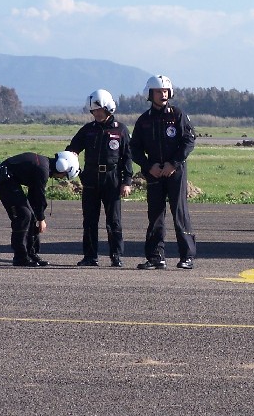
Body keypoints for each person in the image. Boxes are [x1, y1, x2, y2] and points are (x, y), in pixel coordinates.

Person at [130, 74, 197, 270]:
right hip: (154, 174)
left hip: (175, 172)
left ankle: (187, 256)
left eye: (166, 91)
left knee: (179, 213)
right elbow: (134, 149)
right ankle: (155, 257)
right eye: (159, 91)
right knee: (155, 215)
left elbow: (189, 140)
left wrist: (173, 164)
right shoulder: (143, 121)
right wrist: (149, 166)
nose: (163, 94)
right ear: (150, 94)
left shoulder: (177, 115)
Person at [66, 89, 134, 267]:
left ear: (108, 108)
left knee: (114, 221)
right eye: (93, 111)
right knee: (89, 220)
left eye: (99, 110)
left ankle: (116, 256)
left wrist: (127, 182)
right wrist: (71, 159)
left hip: (112, 179)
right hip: (90, 179)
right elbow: (72, 148)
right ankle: (90, 256)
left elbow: (127, 157)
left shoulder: (121, 130)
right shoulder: (87, 130)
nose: (96, 113)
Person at [0, 151, 80, 266]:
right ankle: (20, 257)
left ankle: (31, 254)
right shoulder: (43, 170)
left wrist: (38, 216)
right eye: (64, 175)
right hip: (4, 180)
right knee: (23, 215)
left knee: (31, 215)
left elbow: (35, 197)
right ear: (62, 167)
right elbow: (39, 196)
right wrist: (41, 219)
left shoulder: (44, 166)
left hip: (10, 179)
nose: (61, 178)